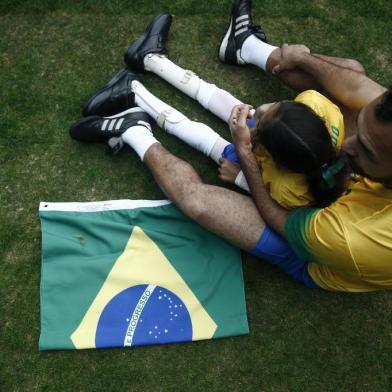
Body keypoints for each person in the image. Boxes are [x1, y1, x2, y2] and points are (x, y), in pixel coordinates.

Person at [70, 1, 392, 292]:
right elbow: (354, 85)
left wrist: (245, 166)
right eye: (359, 129)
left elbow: (278, 217)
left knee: (198, 202)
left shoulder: (351, 237)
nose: (347, 145)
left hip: (311, 253)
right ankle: (241, 47)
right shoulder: (338, 126)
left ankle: (134, 126)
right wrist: (300, 57)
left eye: (365, 149)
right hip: (307, 178)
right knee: (349, 72)